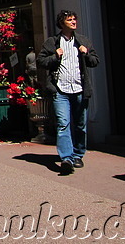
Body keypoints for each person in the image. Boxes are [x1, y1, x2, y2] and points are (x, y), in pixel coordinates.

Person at [37, 10, 100, 175]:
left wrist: (86, 54)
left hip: (80, 89)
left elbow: (95, 61)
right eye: (69, 20)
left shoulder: (83, 41)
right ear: (62, 23)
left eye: (74, 19)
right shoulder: (52, 42)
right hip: (60, 89)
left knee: (80, 125)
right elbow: (41, 61)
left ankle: (78, 154)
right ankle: (66, 158)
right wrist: (54, 57)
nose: (73, 22)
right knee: (63, 123)